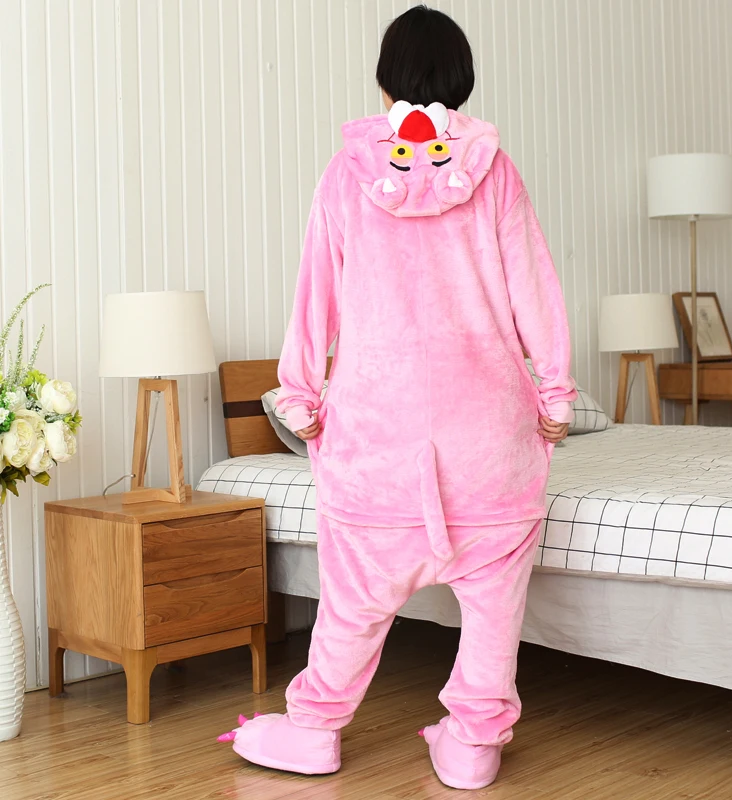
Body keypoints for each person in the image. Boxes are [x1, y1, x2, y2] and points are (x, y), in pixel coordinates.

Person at [219, 5, 576, 790]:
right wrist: (554, 395)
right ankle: (473, 743)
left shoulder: (347, 172)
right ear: (463, 82)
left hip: (378, 431)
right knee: (492, 608)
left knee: (354, 599)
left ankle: (314, 730)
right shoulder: (496, 171)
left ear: (384, 84)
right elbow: (535, 290)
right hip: (489, 434)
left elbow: (316, 293)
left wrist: (300, 395)